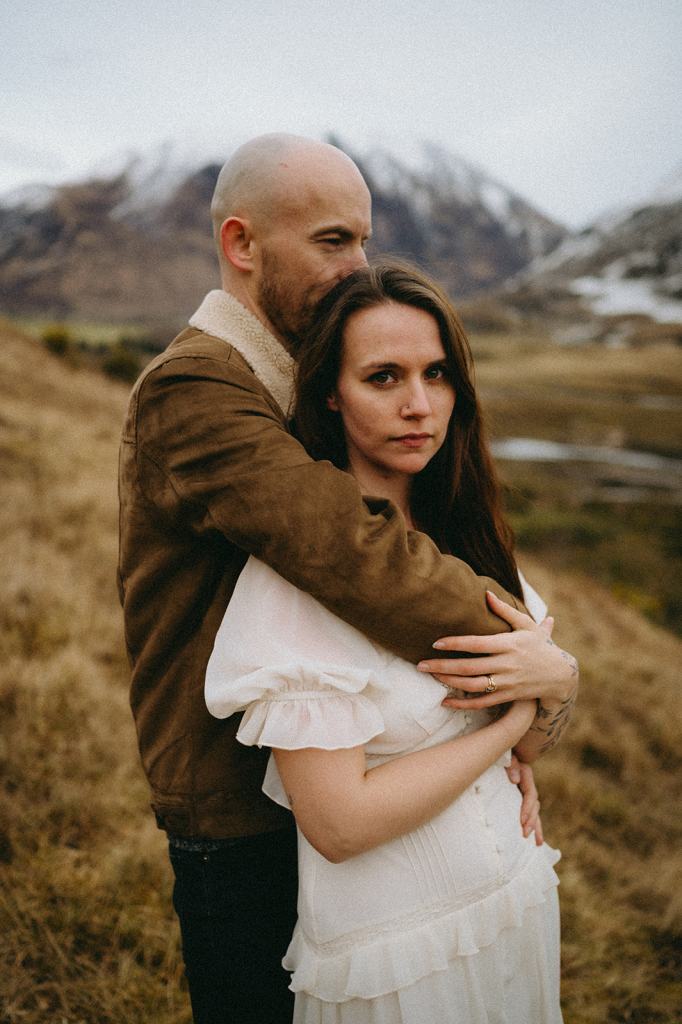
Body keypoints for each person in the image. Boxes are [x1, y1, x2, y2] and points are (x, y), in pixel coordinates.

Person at [118, 134, 575, 1024]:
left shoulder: (286, 375)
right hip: (238, 809)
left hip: (349, 784)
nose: (357, 265)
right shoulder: (197, 389)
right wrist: (533, 659)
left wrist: (527, 695)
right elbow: (351, 553)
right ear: (243, 245)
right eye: (333, 241)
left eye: (363, 241)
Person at [205, 260, 578, 1023]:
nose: (419, 406)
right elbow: (340, 825)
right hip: (400, 963)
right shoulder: (295, 586)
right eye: (384, 378)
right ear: (330, 395)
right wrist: (508, 724)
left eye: (436, 374)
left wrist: (560, 682)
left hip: (513, 902)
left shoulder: (462, 539)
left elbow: (533, 750)